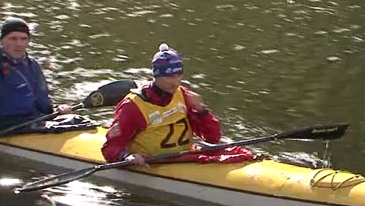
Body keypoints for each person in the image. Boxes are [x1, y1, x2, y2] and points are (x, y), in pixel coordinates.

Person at [102, 43, 253, 165]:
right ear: (156, 75)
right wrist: (125, 156)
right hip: (154, 164)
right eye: (169, 76)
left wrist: (201, 111)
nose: (176, 82)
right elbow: (110, 148)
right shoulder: (132, 107)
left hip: (184, 158)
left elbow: (212, 138)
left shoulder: (183, 95)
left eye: (178, 75)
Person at [0, 17, 73, 142]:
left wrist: (56, 109)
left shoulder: (32, 65)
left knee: (76, 120)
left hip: (28, 121)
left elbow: (42, 100)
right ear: (2, 40)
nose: (19, 44)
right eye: (13, 38)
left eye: (23, 39)